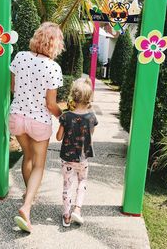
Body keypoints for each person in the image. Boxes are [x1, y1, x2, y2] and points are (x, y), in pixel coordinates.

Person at [9, 22, 64, 233]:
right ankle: (27, 205)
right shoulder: (53, 68)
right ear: (54, 44)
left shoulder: (20, 57)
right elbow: (50, 105)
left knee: (27, 157)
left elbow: (14, 87)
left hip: (17, 118)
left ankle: (28, 196)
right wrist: (62, 115)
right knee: (39, 164)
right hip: (39, 121)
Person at [56, 78, 98, 227]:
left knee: (67, 185)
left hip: (67, 157)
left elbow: (58, 137)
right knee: (82, 182)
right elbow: (90, 138)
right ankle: (77, 210)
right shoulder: (91, 117)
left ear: (73, 96)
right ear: (88, 98)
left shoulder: (66, 116)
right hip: (82, 158)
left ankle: (66, 216)